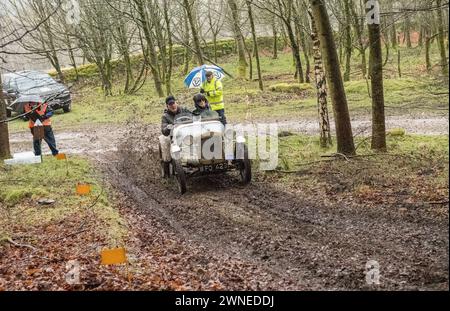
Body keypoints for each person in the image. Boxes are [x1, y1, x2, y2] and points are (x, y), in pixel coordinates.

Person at [159, 96, 191, 167]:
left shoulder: (184, 110)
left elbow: (193, 116)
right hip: (175, 137)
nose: (173, 106)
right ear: (167, 106)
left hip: (189, 134)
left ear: (176, 103)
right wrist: (168, 127)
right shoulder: (165, 116)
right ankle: (167, 164)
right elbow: (164, 130)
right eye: (170, 104)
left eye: (173, 103)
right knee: (165, 142)